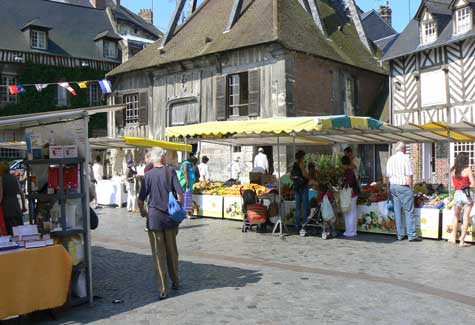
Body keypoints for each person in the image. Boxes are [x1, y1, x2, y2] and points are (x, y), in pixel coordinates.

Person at [138, 148, 184, 300]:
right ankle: (175, 281)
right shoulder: (170, 172)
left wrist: (143, 212)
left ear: (153, 159)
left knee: (159, 254)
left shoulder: (148, 175)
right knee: (172, 251)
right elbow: (181, 193)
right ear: (162, 158)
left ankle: (163, 289)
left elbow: (140, 200)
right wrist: (179, 208)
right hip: (170, 218)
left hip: (155, 218)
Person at [385, 142, 421, 242]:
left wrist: (388, 188)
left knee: (397, 211)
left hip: (393, 187)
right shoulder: (405, 158)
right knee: (409, 211)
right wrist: (411, 188)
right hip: (403, 187)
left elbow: (387, 176)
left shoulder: (390, 159)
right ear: (403, 149)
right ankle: (411, 235)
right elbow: (409, 175)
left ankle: (400, 235)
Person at [450, 153, 475, 247]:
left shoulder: (453, 170)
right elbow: (473, 184)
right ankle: (461, 241)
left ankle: (453, 237)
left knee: (456, 217)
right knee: (465, 218)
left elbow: (453, 186)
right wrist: (467, 185)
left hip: (457, 194)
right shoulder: (468, 170)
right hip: (467, 194)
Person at [0, 161, 26, 235]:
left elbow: (1, 195)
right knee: (20, 232)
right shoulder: (14, 178)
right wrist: (23, 206)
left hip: (6, 208)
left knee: (9, 232)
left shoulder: (1, 179)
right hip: (16, 207)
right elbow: (21, 193)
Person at [291, 150, 309, 231]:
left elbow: (291, 176)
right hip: (303, 187)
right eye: (303, 157)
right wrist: (308, 176)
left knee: (298, 207)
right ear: (302, 157)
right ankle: (304, 224)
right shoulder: (301, 163)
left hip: (297, 187)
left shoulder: (294, 164)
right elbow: (305, 174)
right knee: (305, 206)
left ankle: (296, 224)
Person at [341, 156, 359, 237]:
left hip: (351, 194)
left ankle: (351, 231)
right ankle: (349, 230)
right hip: (350, 195)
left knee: (350, 213)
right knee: (349, 212)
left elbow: (350, 183)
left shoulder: (349, 172)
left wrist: (343, 184)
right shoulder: (348, 171)